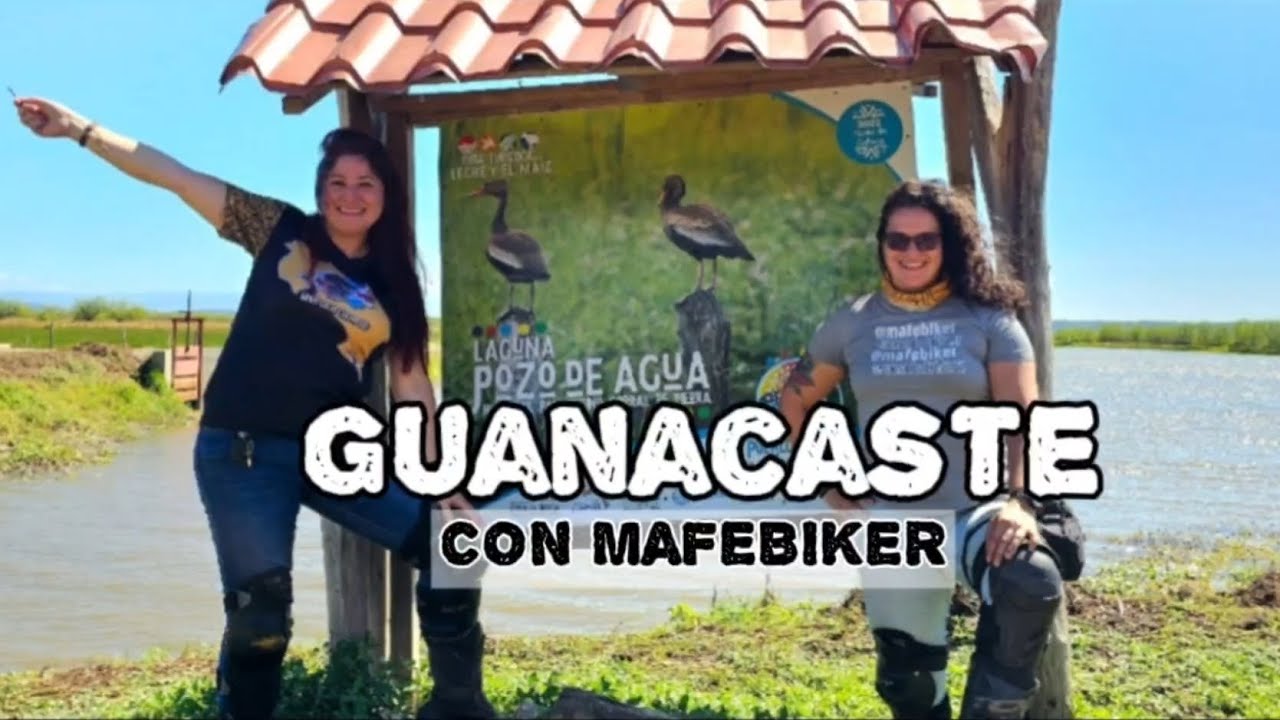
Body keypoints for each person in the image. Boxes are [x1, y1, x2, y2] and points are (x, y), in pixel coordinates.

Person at [13, 96, 497, 720]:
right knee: (260, 618)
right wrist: (81, 130)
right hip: (241, 452)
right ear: (320, 191)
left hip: (334, 453)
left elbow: (413, 387)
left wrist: (443, 481)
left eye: (365, 184)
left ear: (386, 196)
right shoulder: (279, 231)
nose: (350, 196)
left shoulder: (395, 283)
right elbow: (174, 175)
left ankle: (458, 706)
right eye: (338, 182)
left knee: (453, 545)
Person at [780, 180, 1065, 719]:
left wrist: (1020, 502)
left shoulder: (989, 320)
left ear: (949, 244)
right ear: (882, 245)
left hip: (974, 512)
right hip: (893, 520)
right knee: (909, 685)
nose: (911, 252)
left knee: (1030, 581)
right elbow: (794, 402)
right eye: (898, 240)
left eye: (926, 240)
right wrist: (829, 483)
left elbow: (1026, 422)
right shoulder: (854, 321)